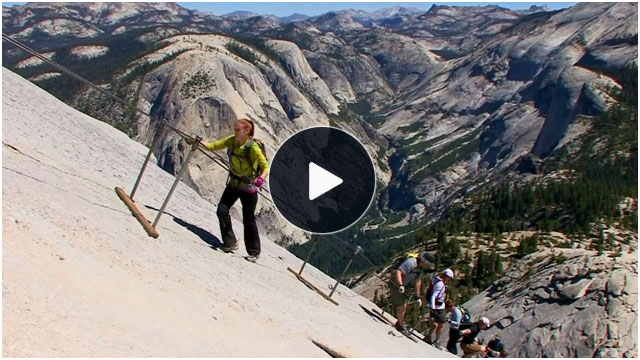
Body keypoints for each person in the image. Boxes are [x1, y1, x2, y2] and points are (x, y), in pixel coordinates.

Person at [202, 118, 269, 262]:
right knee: (222, 210)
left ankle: (254, 252)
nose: (235, 132)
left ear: (247, 131)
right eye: (235, 129)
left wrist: (260, 179)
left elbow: (265, 167)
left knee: (249, 219)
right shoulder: (232, 140)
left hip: (248, 188)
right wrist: (199, 143)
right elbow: (214, 146)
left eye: (238, 130)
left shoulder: (252, 148)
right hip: (234, 184)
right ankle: (230, 243)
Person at [388, 252, 434, 336]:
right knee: (402, 306)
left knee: (405, 304)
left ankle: (400, 322)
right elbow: (398, 272)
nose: (427, 266)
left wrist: (417, 297)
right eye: (427, 264)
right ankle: (400, 326)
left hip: (404, 286)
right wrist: (400, 284)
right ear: (424, 261)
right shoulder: (411, 262)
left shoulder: (419, 268)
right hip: (395, 284)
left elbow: (417, 282)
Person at [425, 268, 455, 348]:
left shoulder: (436, 280)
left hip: (436, 305)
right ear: (447, 277)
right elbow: (434, 295)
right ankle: (437, 341)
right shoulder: (440, 284)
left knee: (434, 323)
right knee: (440, 324)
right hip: (438, 307)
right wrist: (433, 307)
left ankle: (428, 336)